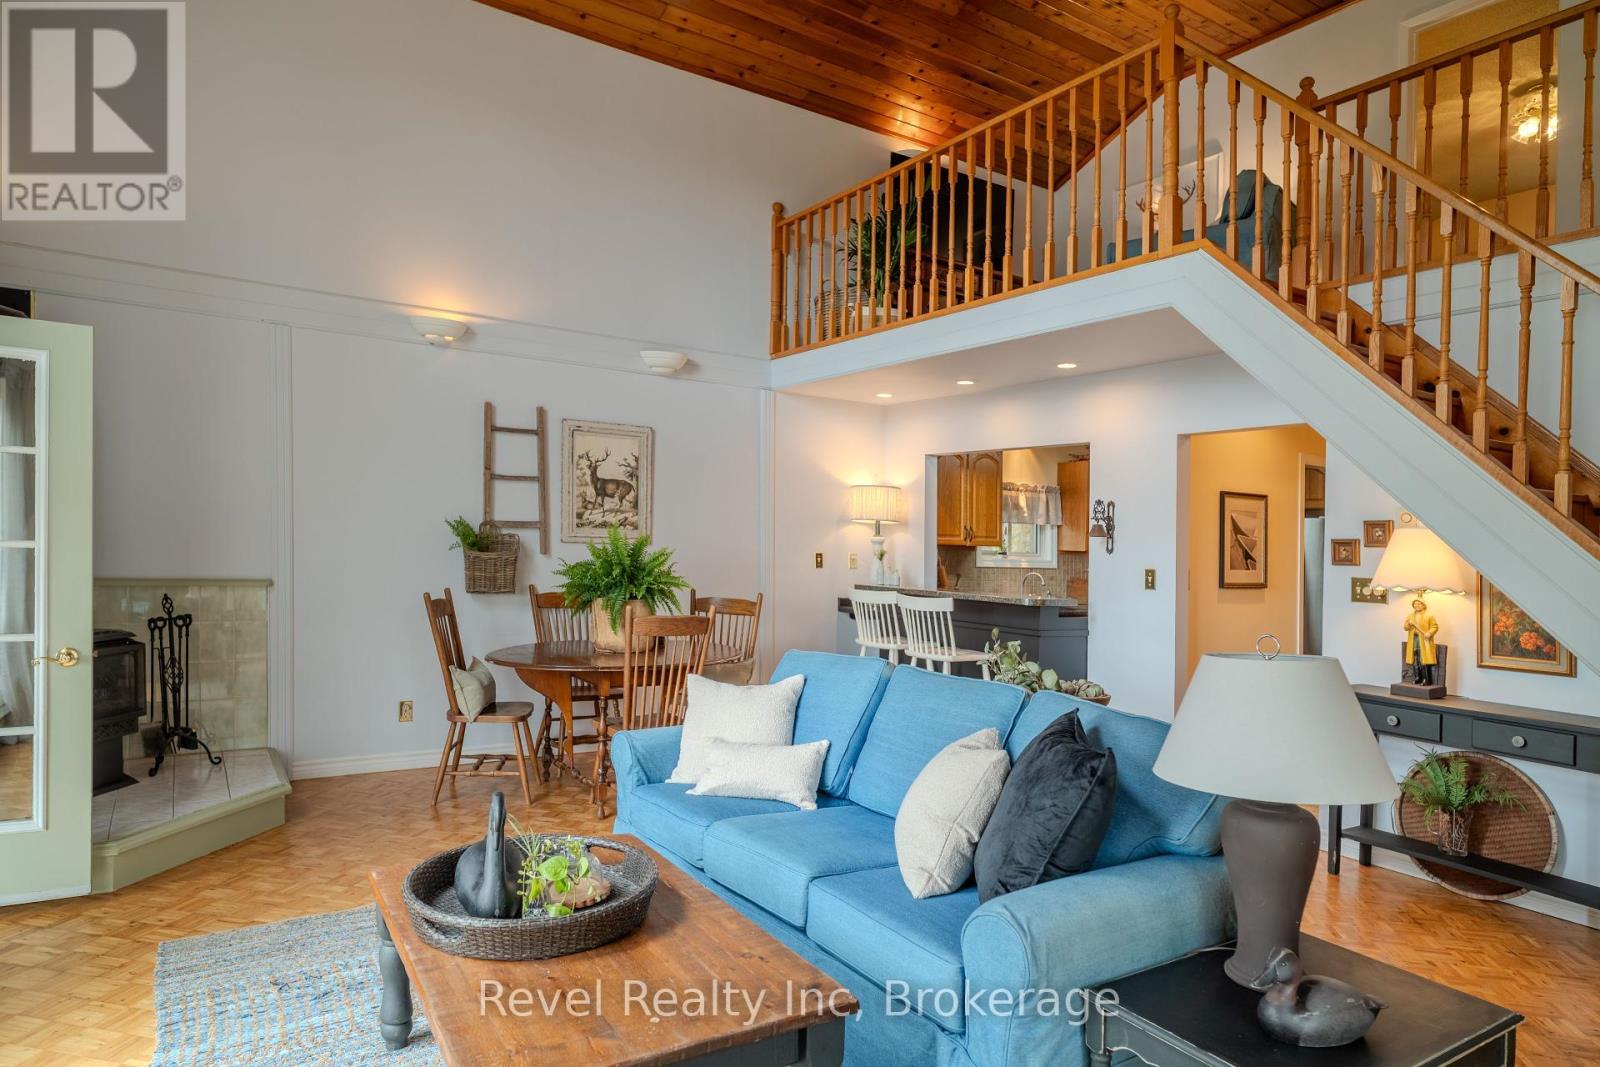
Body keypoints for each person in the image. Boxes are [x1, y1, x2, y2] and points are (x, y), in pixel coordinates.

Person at [1402, 597, 1440, 686]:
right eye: (1415, 604)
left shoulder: (1429, 616)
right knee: (1416, 659)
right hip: (1414, 640)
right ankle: (1418, 677)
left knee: (1424, 659)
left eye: (1419, 604)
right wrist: (1408, 624)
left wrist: (1430, 633)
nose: (1417, 606)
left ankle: (1426, 679)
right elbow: (1405, 627)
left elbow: (1435, 627)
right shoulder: (1410, 616)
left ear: (1423, 605)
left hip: (1424, 641)